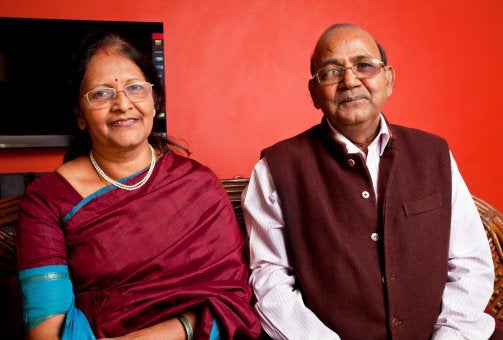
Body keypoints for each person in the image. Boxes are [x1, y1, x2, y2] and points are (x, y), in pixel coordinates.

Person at [242, 23, 496, 339]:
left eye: (364, 66)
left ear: (387, 79)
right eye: (331, 72)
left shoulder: (435, 154)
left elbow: (471, 266)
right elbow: (270, 282)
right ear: (314, 93)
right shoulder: (276, 168)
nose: (350, 81)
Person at [16, 29, 261, 339]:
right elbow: (46, 331)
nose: (122, 104)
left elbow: (231, 302)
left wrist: (177, 330)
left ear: (153, 100)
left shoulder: (199, 186)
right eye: (101, 93)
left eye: (135, 88)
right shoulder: (47, 200)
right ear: (80, 115)